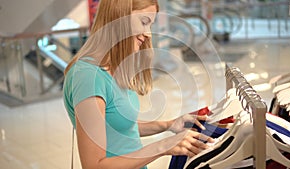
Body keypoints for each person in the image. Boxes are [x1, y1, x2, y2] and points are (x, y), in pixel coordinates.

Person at [63, 0, 214, 168]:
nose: (148, 33)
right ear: (119, 17)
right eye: (144, 22)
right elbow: (94, 165)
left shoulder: (110, 69)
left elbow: (120, 128)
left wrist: (169, 124)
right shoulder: (87, 76)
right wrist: (164, 146)